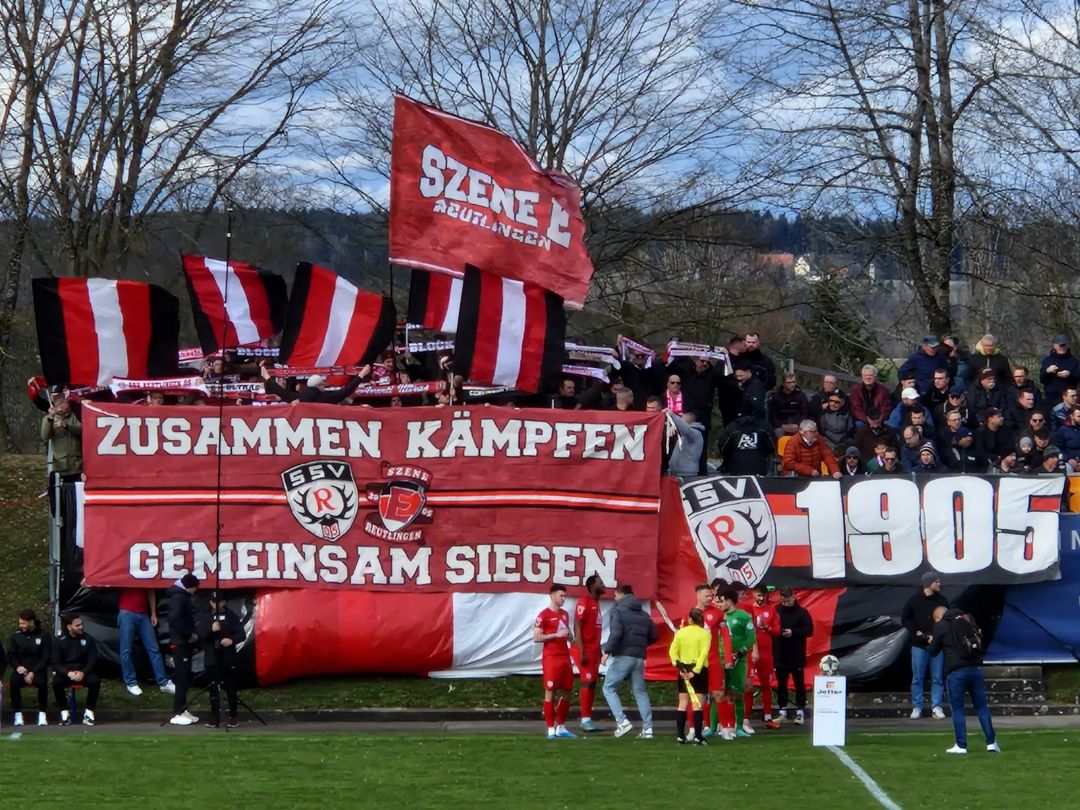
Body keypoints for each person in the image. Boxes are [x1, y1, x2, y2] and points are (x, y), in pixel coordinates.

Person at [928, 606, 999, 754]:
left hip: (956, 672)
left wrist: (933, 640)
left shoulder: (941, 626)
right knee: (982, 707)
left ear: (939, 617)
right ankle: (991, 742)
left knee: (958, 709)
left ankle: (961, 745)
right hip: (975, 669)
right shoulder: (966, 620)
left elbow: (933, 651)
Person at [601, 584, 659, 739]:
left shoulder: (618, 610)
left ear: (620, 594)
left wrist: (607, 651)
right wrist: (641, 645)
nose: (614, 598)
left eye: (615, 595)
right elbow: (654, 634)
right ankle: (648, 729)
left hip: (623, 655)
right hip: (639, 657)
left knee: (609, 688)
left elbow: (616, 633)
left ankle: (622, 721)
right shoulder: (643, 614)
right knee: (640, 692)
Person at [902, 572, 949, 720]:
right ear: (929, 583)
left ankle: (936, 706)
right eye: (936, 582)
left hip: (937, 647)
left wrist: (938, 636)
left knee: (937, 678)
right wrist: (917, 632)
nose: (939, 584)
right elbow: (906, 619)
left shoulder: (942, 600)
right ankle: (917, 707)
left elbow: (948, 619)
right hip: (919, 646)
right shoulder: (914, 601)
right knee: (917, 677)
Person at [198, 593, 247, 729]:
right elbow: (201, 634)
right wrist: (210, 629)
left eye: (219, 602)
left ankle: (233, 715)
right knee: (213, 688)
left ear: (224, 602)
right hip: (212, 658)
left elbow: (241, 634)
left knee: (230, 687)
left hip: (227, 658)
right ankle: (215, 715)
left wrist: (231, 640)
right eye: (214, 602)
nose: (216, 604)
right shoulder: (206, 617)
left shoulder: (232, 617)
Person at [534, 584, 576, 739]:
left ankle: (561, 727)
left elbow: (566, 631)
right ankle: (550, 729)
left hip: (565, 657)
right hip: (551, 658)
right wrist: (555, 635)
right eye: (561, 596)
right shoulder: (543, 615)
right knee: (550, 692)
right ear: (552, 595)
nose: (563, 599)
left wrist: (570, 637)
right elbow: (536, 637)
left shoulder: (564, 614)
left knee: (567, 691)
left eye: (565, 596)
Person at [713, 589, 757, 739]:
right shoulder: (717, 616)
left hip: (738, 661)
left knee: (736, 693)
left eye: (721, 601)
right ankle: (712, 727)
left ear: (729, 600)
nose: (719, 604)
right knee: (717, 693)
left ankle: (738, 728)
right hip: (719, 660)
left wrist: (740, 653)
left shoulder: (743, 616)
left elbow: (751, 637)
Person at [117, 588, 175, 696]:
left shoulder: (144, 577)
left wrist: (153, 613)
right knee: (126, 650)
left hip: (142, 614)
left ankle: (163, 682)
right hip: (127, 612)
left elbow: (150, 591)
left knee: (153, 648)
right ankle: (131, 682)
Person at [669, 607, 710, 745]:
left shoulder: (681, 632)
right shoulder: (705, 634)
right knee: (697, 705)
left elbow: (672, 651)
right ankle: (698, 736)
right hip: (698, 670)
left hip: (683, 669)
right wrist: (696, 670)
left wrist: (679, 666)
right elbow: (704, 653)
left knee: (682, 703)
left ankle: (680, 736)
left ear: (690, 619)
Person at [772, 588, 813, 725]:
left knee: (799, 684)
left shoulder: (802, 612)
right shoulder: (776, 611)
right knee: (781, 685)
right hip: (780, 653)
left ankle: (800, 712)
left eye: (788, 601)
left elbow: (809, 629)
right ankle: (782, 710)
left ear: (794, 597)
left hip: (796, 654)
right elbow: (771, 627)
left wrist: (793, 632)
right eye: (783, 601)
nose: (786, 604)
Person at [52, 614, 100, 726]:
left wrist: (83, 672)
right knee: (56, 682)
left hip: (83, 672)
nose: (81, 627)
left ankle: (89, 713)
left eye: (81, 624)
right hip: (67, 673)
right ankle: (64, 714)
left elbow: (92, 660)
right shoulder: (59, 640)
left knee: (95, 681)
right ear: (69, 627)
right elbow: (56, 663)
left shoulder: (89, 639)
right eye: (77, 625)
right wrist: (68, 673)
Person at [571, 575, 606, 732]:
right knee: (587, 681)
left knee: (592, 683)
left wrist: (598, 650)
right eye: (600, 583)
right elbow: (577, 625)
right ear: (592, 586)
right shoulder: (584, 602)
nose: (604, 585)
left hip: (593, 650)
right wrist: (582, 650)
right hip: (583, 650)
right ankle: (585, 720)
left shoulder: (596, 603)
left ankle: (588, 718)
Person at [167, 573, 201, 726]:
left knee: (186, 677)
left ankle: (182, 708)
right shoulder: (178, 598)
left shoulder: (181, 597)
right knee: (182, 677)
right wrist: (189, 635)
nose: (196, 591)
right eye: (195, 588)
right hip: (180, 643)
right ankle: (177, 712)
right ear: (189, 587)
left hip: (183, 642)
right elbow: (175, 620)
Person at [8, 608, 50, 726]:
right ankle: (17, 714)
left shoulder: (44, 635)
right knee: (14, 682)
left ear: (31, 622)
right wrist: (18, 667)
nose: (21, 625)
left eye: (23, 623)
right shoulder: (16, 636)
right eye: (20, 623)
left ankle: (42, 714)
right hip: (21, 669)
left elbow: (46, 657)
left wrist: (33, 672)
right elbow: (11, 655)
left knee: (42, 683)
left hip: (37, 669)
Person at [746, 586, 780, 729]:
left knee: (767, 685)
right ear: (753, 594)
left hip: (766, 653)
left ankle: (768, 717)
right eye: (758, 595)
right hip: (750, 652)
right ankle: (745, 719)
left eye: (763, 595)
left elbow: (777, 631)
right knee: (748, 685)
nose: (761, 598)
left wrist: (767, 628)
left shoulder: (771, 610)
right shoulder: (748, 609)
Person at [715, 402, 775, 475]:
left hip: (736, 469)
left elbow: (722, 448)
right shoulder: (765, 427)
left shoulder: (731, 427)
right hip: (760, 468)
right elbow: (773, 447)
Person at [41, 394, 82, 476]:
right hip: (61, 466)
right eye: (63, 402)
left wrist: (66, 426)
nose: (67, 404)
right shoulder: (48, 419)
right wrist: (50, 419)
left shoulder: (74, 417)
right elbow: (45, 436)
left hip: (77, 465)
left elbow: (82, 432)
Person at [1040, 335, 1079, 403]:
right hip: (1051, 397)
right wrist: (1047, 371)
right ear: (1054, 345)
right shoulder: (1047, 360)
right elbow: (1042, 379)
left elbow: (1078, 378)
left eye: (1064, 345)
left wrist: (1069, 375)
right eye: (1060, 345)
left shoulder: (1074, 361)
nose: (1062, 347)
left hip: (1069, 397)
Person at [768, 373, 809, 438]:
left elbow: (804, 413)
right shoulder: (776, 396)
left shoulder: (801, 396)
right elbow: (773, 416)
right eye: (789, 383)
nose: (792, 385)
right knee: (777, 432)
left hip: (797, 425)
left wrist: (798, 424)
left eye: (793, 382)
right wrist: (782, 425)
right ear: (784, 383)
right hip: (781, 426)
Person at [666, 410, 704, 476]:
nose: (681, 418)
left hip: (686, 473)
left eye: (682, 417)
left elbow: (685, 429)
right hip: (679, 472)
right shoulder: (686, 434)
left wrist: (672, 415)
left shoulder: (695, 433)